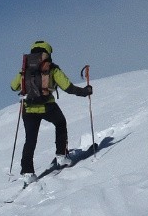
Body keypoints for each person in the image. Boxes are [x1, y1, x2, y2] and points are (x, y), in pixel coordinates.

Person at [11, 40, 92, 181]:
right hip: (47, 106)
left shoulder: (25, 68)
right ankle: (61, 156)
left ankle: (27, 172)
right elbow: (68, 87)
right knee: (60, 123)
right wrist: (85, 91)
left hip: (28, 108)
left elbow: (13, 87)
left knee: (30, 139)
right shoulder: (52, 68)